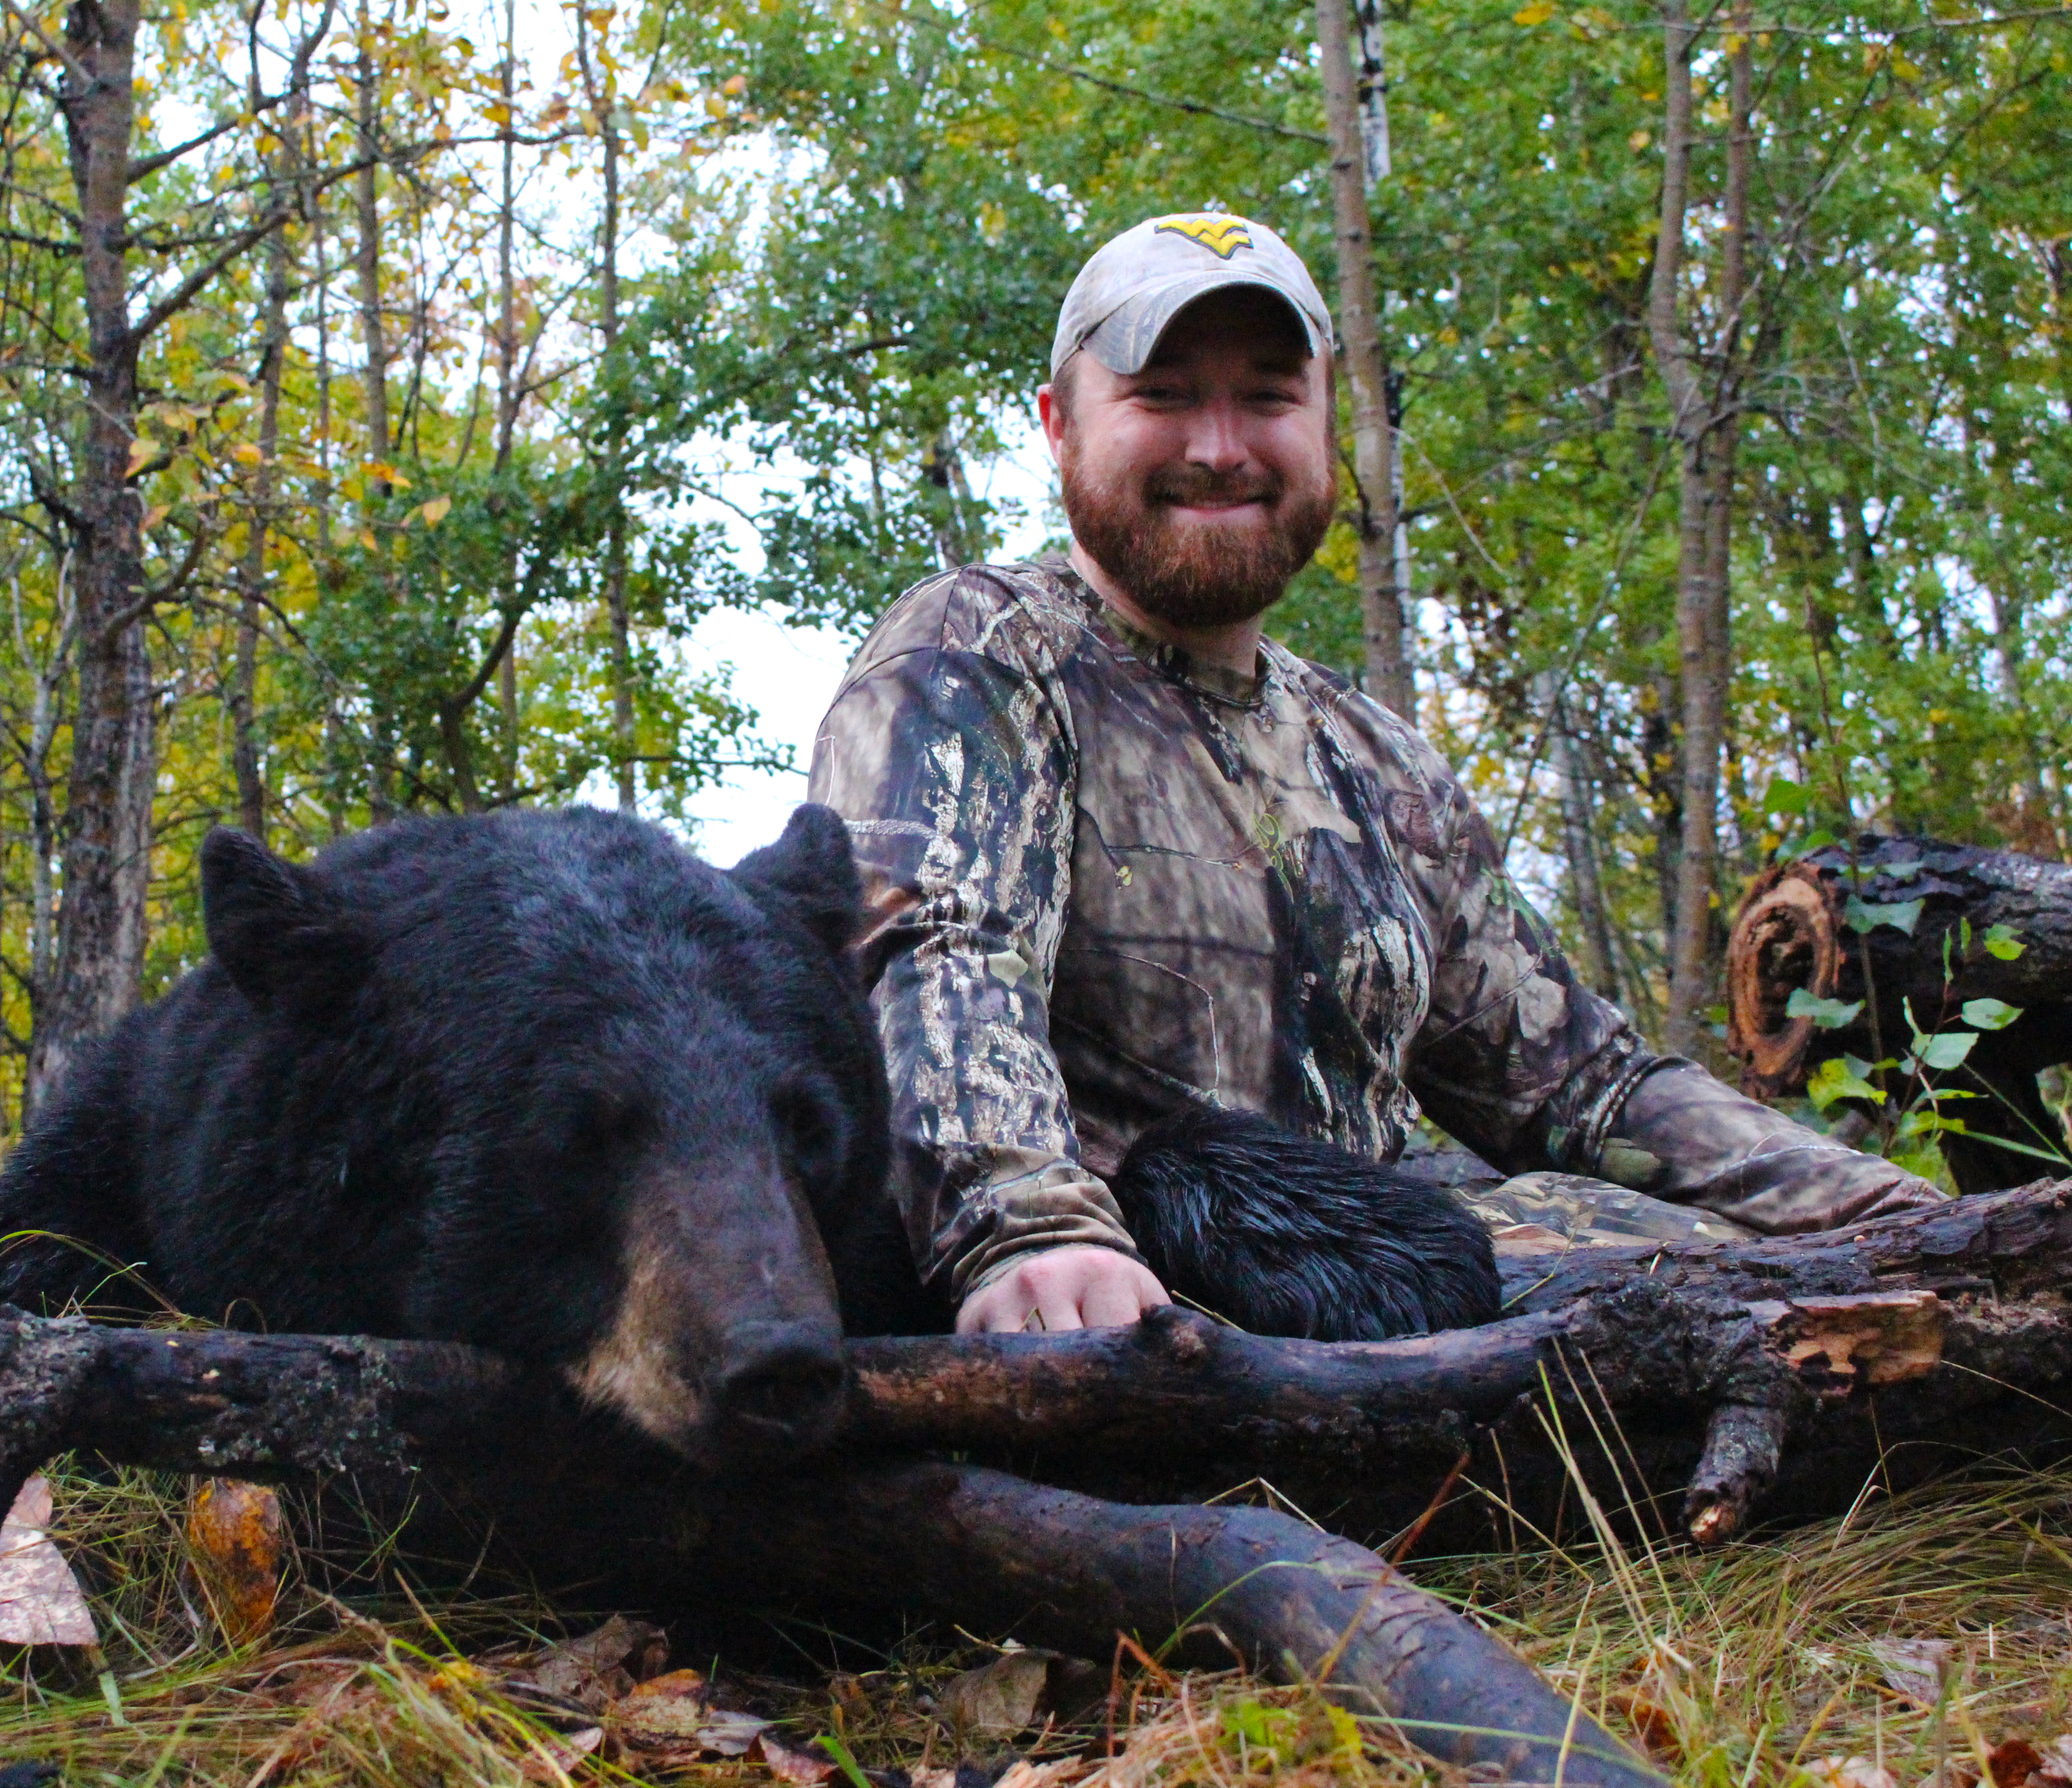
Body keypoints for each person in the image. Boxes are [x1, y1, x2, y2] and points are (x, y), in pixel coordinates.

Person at [806, 212, 1941, 1337]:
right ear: (1060, 427)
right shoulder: (982, 653)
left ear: (1326, 424)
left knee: (1681, 1246)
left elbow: (1582, 1084)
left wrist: (1886, 1213)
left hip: (1378, 1310)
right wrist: (1027, 1232)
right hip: (1124, 1318)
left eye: (1268, 397)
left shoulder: (1375, 757)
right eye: (1163, 397)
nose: (1220, 447)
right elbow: (929, 948)